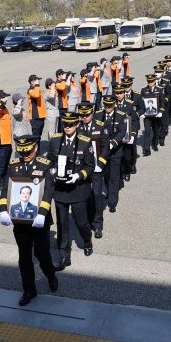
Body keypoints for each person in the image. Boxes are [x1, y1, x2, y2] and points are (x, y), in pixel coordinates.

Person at [0, 135, 58, 306]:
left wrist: (42, 213)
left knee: (42, 254)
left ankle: (50, 274)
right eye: (22, 152)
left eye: (28, 152)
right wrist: (3, 210)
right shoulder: (13, 165)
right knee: (24, 257)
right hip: (20, 220)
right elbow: (6, 188)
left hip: (39, 220)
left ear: (36, 148)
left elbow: (48, 190)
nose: (25, 155)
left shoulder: (44, 165)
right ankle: (29, 290)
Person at [48, 111, 95, 271]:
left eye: (71, 124)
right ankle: (64, 255)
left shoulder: (85, 142)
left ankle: (87, 240)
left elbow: (90, 166)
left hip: (78, 189)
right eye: (65, 124)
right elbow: (50, 160)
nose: (67, 127)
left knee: (81, 222)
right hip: (60, 190)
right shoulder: (55, 140)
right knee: (62, 224)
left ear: (77, 124)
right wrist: (52, 171)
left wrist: (78, 176)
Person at [77, 102, 108, 239]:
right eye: (82, 115)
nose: (84, 117)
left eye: (87, 115)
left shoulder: (100, 126)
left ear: (92, 113)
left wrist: (101, 163)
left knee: (97, 195)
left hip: (96, 168)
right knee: (84, 196)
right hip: (82, 168)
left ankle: (98, 225)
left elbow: (105, 147)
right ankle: (87, 221)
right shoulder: (77, 127)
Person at [96, 95, 128, 215]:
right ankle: (109, 192)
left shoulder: (121, 115)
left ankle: (112, 202)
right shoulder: (98, 115)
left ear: (114, 104)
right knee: (106, 175)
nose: (108, 107)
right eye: (106, 105)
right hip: (102, 152)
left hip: (115, 151)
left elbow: (122, 132)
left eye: (110, 105)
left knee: (114, 177)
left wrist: (112, 143)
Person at [140, 74, 165, 155]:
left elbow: (162, 102)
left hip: (156, 115)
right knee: (147, 131)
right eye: (148, 81)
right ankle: (146, 149)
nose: (150, 82)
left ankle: (154, 144)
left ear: (155, 81)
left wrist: (161, 111)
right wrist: (142, 112)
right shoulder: (144, 90)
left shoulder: (159, 89)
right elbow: (141, 102)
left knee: (156, 131)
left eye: (151, 81)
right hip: (147, 115)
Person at [27, 75, 46, 146]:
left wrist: (43, 115)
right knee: (36, 138)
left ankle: (38, 151)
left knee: (38, 137)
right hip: (35, 118)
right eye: (37, 80)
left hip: (40, 117)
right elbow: (36, 95)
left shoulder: (36, 89)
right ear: (32, 82)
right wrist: (37, 85)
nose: (39, 81)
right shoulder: (31, 90)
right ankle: (35, 152)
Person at [10, 92, 30, 159]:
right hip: (19, 135)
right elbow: (16, 112)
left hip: (24, 133)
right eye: (21, 100)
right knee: (19, 152)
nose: (22, 101)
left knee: (25, 152)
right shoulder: (15, 110)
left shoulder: (21, 109)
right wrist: (18, 104)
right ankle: (17, 162)